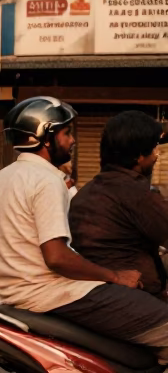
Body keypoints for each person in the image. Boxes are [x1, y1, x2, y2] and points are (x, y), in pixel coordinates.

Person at [0, 97, 168, 373]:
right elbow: (56, 256)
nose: (72, 141)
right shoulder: (47, 180)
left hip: (14, 294)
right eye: (66, 133)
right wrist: (114, 276)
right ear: (44, 138)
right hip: (55, 292)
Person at [70, 111, 168, 299]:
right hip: (133, 292)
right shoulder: (135, 193)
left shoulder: (87, 191)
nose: (157, 155)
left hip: (93, 289)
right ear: (139, 156)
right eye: (154, 149)